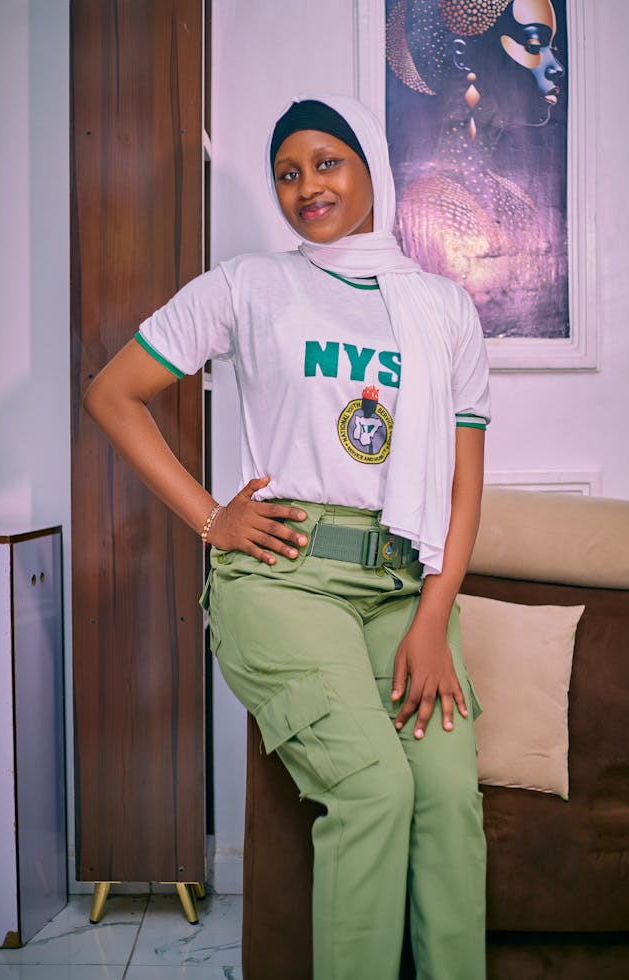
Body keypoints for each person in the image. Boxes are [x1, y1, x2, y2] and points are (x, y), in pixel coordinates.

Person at [84, 92, 491, 980]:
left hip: (403, 582)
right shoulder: (249, 286)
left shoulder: (444, 308)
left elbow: (463, 487)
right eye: (286, 173)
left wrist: (433, 618)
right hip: (284, 575)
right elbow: (111, 393)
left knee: (449, 798)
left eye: (326, 162)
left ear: (369, 166)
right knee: (375, 789)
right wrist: (210, 517)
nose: (306, 185)